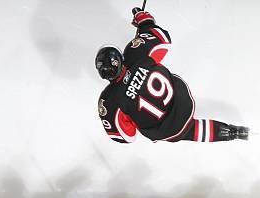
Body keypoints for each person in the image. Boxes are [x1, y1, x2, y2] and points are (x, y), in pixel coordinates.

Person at [96, 7, 249, 143]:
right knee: (185, 121)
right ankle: (237, 131)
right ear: (121, 58)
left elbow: (126, 136)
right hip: (182, 99)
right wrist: (144, 22)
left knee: (189, 130)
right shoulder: (136, 53)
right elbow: (162, 38)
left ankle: (233, 133)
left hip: (167, 130)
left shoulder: (109, 100)